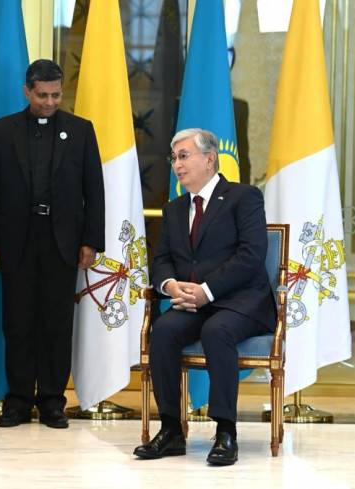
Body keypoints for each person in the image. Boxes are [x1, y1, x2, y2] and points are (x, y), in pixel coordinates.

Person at [0, 59, 105, 429]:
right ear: (27, 91)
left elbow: (94, 190)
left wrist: (91, 240)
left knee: (56, 324)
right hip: (16, 238)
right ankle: (17, 401)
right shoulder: (2, 131)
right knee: (17, 323)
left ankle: (52, 402)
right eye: (42, 95)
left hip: (62, 240)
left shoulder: (80, 130)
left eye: (56, 95)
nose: (50, 102)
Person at [133, 128, 275, 465]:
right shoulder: (173, 209)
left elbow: (251, 256)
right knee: (163, 331)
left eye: (184, 156)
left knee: (217, 331)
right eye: (174, 158)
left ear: (210, 159)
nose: (177, 165)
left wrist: (206, 291)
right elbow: (162, 259)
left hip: (239, 301)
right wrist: (170, 286)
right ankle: (171, 430)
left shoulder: (244, 197)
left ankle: (226, 432)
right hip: (191, 302)